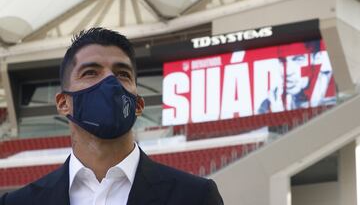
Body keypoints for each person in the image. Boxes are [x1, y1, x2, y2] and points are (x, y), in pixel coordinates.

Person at [0, 28, 223, 205]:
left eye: (122, 74)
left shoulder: (195, 197)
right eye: (90, 72)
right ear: (63, 103)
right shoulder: (19, 202)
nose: (110, 83)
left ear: (138, 104)